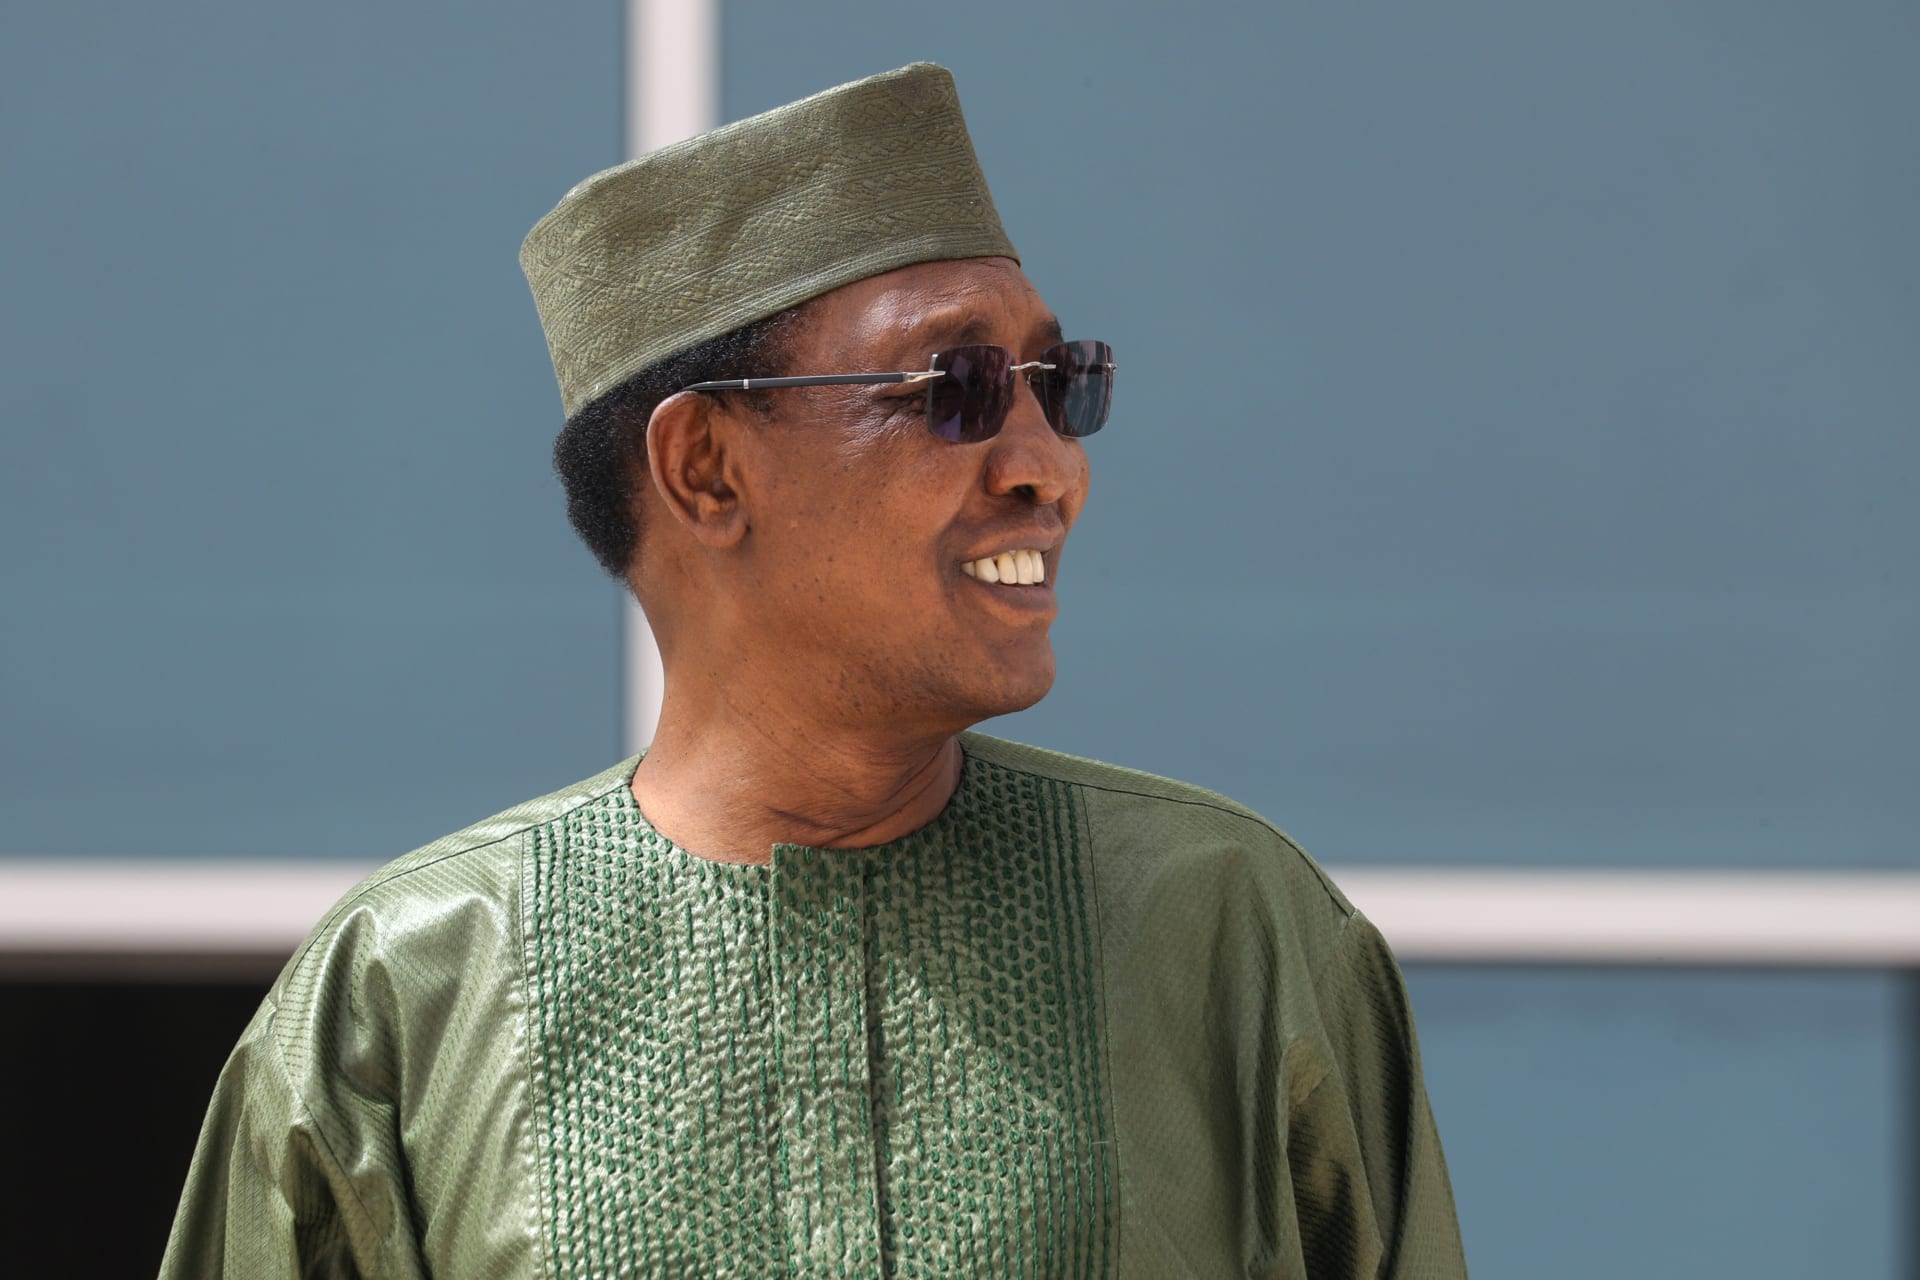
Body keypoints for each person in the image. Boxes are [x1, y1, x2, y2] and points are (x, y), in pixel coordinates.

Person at [161, 63, 1468, 1279]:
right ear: (708, 469)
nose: (1045, 465)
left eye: (1057, 382)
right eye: (954, 386)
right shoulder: (404, 998)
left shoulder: (1229, 933)